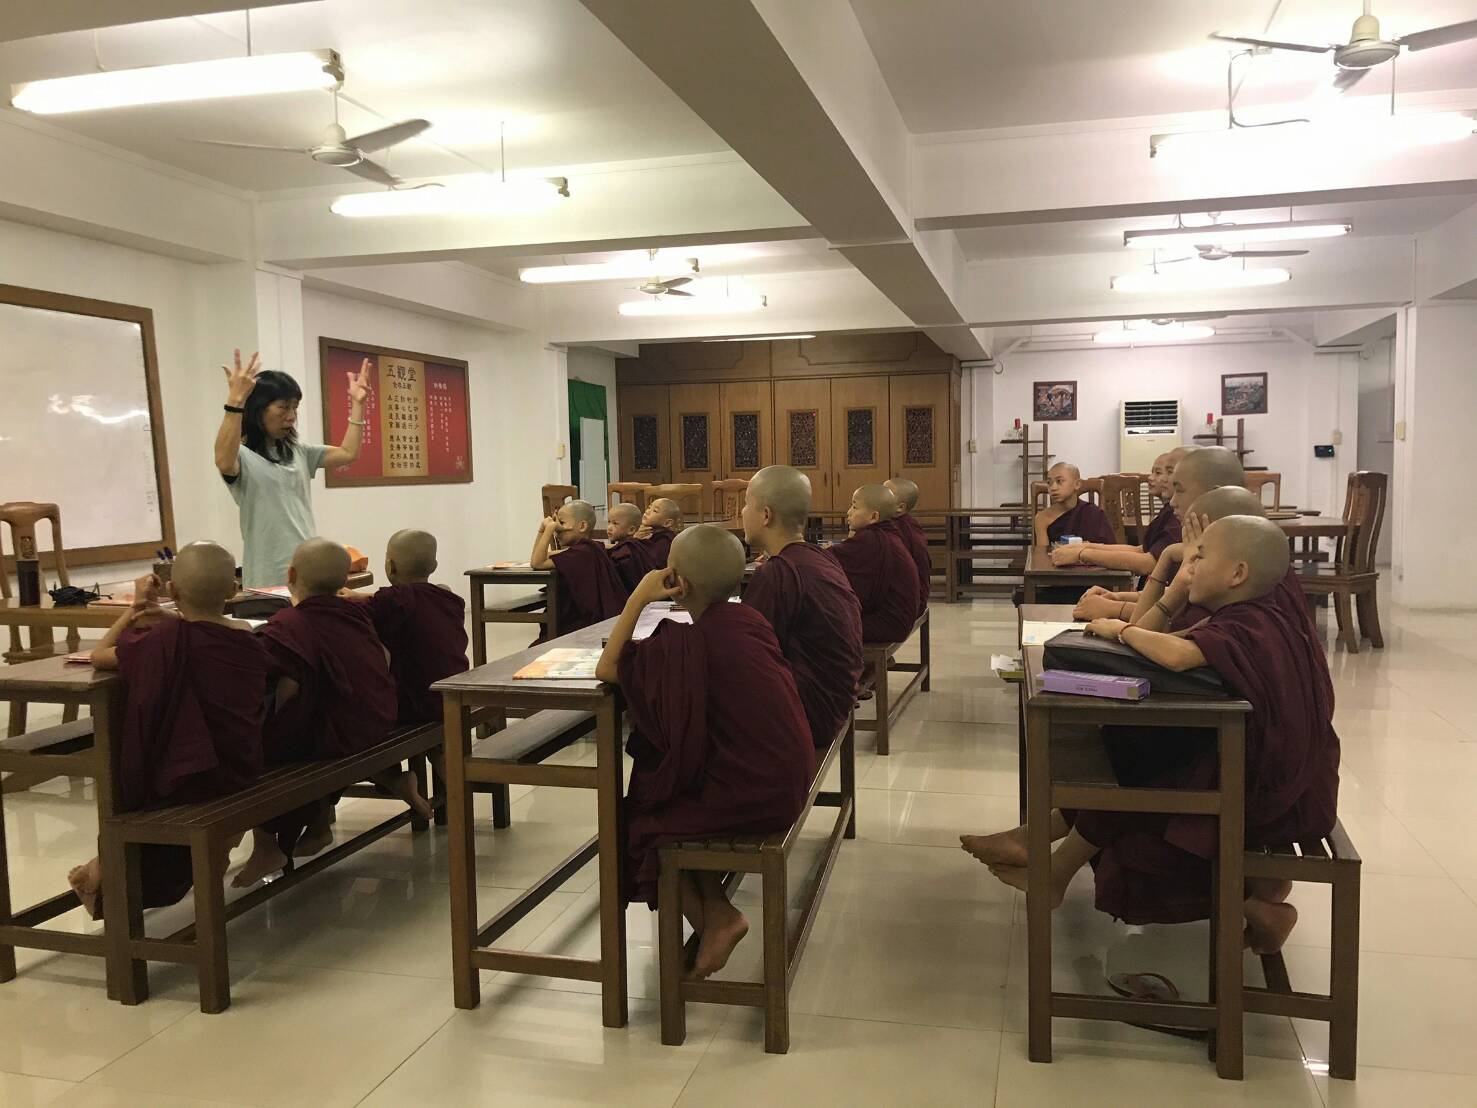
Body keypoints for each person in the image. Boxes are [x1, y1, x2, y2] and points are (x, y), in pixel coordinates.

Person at [963, 516, 1339, 954]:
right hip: (1284, 775)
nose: (1189, 568)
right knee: (1137, 759)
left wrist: (1122, 629)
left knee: (1133, 776)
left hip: (1264, 790)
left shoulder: (1250, 622)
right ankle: (1042, 856)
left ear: (1238, 573)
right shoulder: (1258, 613)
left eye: (1199, 558)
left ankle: (1253, 904)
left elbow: (1180, 654)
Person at [596, 525, 815, 978]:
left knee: (642, 820)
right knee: (668, 794)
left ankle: (717, 919)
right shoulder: (749, 621)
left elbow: (609, 667)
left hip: (756, 794)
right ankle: (715, 912)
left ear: (677, 581)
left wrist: (638, 598)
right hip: (788, 777)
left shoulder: (688, 642)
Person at [67, 542, 270, 919]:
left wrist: (134, 609)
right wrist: (172, 619)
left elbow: (98, 655)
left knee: (135, 786)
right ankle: (108, 871)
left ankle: (104, 873)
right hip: (240, 769)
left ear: (173, 590)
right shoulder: (245, 636)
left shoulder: (162, 643)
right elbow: (201, 632)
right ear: (233, 591)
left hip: (188, 779)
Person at [235, 539, 407, 887]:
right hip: (376, 723)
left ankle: (267, 845)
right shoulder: (357, 614)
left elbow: (266, 680)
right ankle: (318, 821)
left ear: (291, 575)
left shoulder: (287, 625)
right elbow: (384, 656)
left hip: (335, 737)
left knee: (255, 744)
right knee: (312, 711)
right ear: (345, 581)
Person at [214, 349, 375, 589]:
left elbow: (348, 453)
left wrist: (358, 405)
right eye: (283, 407)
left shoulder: (299, 452)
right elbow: (223, 461)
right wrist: (236, 401)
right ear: (258, 409)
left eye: (294, 408)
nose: (291, 416)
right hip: (267, 579)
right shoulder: (242, 456)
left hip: (308, 572)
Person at [742, 465, 864, 748]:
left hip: (808, 714)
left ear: (766, 515)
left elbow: (747, 655)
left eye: (747, 504)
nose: (742, 512)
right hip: (835, 701)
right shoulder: (817, 557)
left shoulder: (778, 573)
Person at [348, 529, 469, 725]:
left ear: (390, 566)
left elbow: (350, 614)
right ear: (434, 566)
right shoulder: (447, 597)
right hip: (452, 696)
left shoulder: (390, 602)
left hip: (413, 705)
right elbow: (417, 597)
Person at [1049, 448, 1190, 578]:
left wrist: (1082, 554)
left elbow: (1148, 563)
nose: (1153, 478)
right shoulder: (1168, 511)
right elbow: (1141, 550)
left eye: (1168, 472)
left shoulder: (1180, 516)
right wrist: (1086, 546)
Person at [826, 484, 920, 644]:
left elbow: (825, 560)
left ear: (874, 517)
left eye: (855, 507)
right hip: (895, 619)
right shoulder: (885, 534)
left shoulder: (872, 539)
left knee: (813, 625)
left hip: (888, 624)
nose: (848, 512)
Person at [530, 499, 630, 640]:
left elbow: (537, 563)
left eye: (561, 523)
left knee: (537, 649)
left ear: (582, 526)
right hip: (583, 621)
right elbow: (539, 557)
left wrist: (548, 530)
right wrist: (542, 530)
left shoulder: (582, 552)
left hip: (582, 626)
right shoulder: (583, 549)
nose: (557, 529)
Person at [1033, 463, 1117, 548]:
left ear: (1077, 484)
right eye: (1049, 482)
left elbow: (1110, 549)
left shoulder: (1093, 513)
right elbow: (1042, 553)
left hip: (1092, 556)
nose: (1053, 488)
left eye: (1059, 481)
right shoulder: (1042, 518)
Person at [883, 477, 931, 618]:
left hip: (907, 603)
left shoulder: (897, 528)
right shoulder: (903, 523)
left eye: (887, 493)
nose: (880, 496)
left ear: (900, 507)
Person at [605, 502, 652, 591]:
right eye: (609, 522)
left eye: (615, 523)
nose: (609, 528)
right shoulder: (624, 547)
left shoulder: (627, 552)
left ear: (631, 530)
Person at [635, 498, 683, 567]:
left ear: (667, 523)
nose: (647, 512)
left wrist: (635, 541)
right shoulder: (646, 532)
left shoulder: (665, 541)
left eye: (655, 510)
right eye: (649, 508)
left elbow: (652, 564)